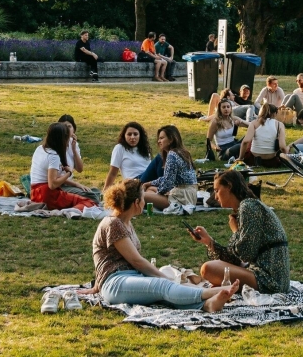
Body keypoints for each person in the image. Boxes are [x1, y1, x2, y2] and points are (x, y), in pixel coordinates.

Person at [88, 179, 239, 312]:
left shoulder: (125, 222)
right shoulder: (113, 223)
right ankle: (209, 293)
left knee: (162, 293)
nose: (145, 202)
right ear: (136, 203)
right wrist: (164, 278)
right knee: (160, 285)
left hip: (129, 277)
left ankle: (208, 305)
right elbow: (137, 261)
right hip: (115, 282)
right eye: (143, 198)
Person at [191, 169, 290, 293]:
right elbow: (236, 259)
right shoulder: (248, 206)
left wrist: (236, 231)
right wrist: (208, 241)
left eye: (217, 191)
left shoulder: (248, 208)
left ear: (229, 187)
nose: (215, 197)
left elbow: (245, 254)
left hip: (270, 280)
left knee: (207, 269)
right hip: (264, 273)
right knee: (214, 268)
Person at [29, 122, 96, 210]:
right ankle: (69, 211)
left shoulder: (40, 149)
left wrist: (76, 184)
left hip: (35, 194)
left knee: (91, 193)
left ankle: (70, 207)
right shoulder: (53, 156)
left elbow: (54, 177)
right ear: (62, 139)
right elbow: (52, 184)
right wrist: (69, 173)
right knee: (90, 203)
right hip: (47, 195)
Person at [142, 125, 199, 210]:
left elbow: (168, 183)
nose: (158, 141)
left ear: (171, 139)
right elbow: (167, 178)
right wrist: (150, 183)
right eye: (159, 138)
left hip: (181, 197)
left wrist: (158, 193)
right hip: (190, 195)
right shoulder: (182, 152)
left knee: (141, 195)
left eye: (161, 138)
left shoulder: (172, 155)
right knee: (151, 188)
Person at [104, 122, 153, 191]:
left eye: (135, 134)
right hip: (133, 182)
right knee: (159, 159)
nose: (132, 137)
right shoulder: (120, 148)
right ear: (124, 136)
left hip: (148, 181)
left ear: (140, 136)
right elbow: (113, 173)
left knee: (153, 189)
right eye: (129, 134)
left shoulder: (144, 150)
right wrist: (105, 190)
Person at [240, 103, 288, 167]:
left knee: (250, 143)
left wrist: (240, 158)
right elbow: (282, 147)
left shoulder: (254, 123)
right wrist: (287, 158)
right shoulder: (279, 125)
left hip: (253, 159)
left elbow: (245, 141)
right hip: (271, 160)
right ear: (275, 114)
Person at [206, 95, 248, 160]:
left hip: (233, 143)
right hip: (223, 150)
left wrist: (240, 122)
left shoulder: (233, 119)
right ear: (220, 109)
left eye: (228, 107)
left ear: (231, 109)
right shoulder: (215, 122)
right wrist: (215, 147)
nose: (226, 109)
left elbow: (250, 125)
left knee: (248, 137)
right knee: (240, 146)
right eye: (224, 107)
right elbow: (208, 141)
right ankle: (241, 156)